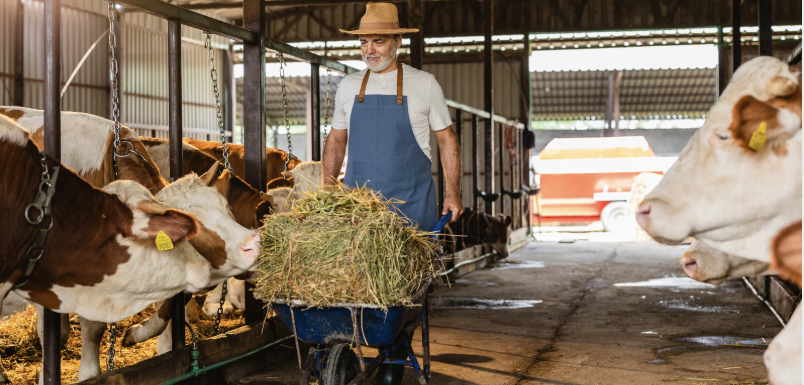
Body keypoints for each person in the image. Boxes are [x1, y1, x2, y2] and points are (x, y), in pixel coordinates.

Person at [322, 2, 463, 230]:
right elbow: (336, 139)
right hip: (359, 210)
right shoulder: (348, 86)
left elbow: (447, 139)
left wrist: (453, 194)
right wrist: (327, 190)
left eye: (378, 41)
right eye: (364, 42)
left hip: (411, 207)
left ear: (397, 42)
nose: (370, 51)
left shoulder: (424, 83)